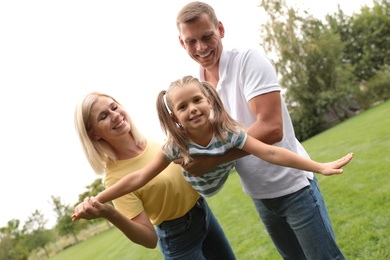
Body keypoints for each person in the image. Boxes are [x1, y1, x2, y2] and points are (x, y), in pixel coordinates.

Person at [175, 2, 348, 259]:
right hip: (259, 194)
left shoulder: (248, 60)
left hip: (293, 185)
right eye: (191, 41)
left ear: (220, 29)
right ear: (182, 43)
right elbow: (210, 138)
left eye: (207, 36)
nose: (201, 47)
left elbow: (272, 128)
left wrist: (212, 160)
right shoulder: (197, 88)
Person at [78, 76, 352, 210]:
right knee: (179, 164)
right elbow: (138, 177)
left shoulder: (228, 132)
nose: (193, 109)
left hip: (218, 174)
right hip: (195, 185)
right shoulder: (177, 143)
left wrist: (318, 166)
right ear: (175, 117)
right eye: (183, 107)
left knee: (237, 148)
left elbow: (271, 152)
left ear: (209, 100)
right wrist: (97, 200)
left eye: (197, 100)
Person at [72, 92, 236, 260]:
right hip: (179, 238)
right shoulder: (114, 178)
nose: (115, 115)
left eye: (114, 107)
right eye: (103, 116)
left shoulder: (152, 141)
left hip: (204, 213)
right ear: (94, 134)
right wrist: (109, 213)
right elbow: (149, 240)